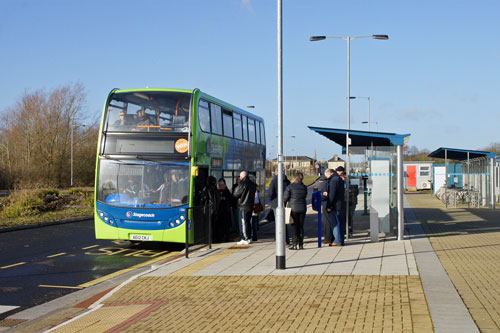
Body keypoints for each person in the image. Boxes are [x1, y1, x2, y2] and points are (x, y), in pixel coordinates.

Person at [283, 172, 308, 250]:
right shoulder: (304, 187)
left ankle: (294, 244)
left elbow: (285, 198)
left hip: (293, 209)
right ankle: (301, 244)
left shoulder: (290, 187)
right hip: (303, 208)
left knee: (294, 226)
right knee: (301, 226)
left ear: (295, 178)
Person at [266, 169, 291, 243]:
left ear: (276, 173)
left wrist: (271, 200)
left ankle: (280, 239)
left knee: (278, 222)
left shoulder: (274, 181)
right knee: (284, 222)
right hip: (285, 203)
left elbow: (270, 193)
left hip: (276, 204)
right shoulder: (287, 181)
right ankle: (286, 239)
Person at [233, 171, 257, 245]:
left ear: (242, 176)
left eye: (240, 177)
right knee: (248, 222)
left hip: (243, 206)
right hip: (250, 205)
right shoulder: (253, 184)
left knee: (243, 222)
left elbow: (235, 194)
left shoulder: (242, 184)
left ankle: (245, 238)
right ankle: (249, 237)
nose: (239, 178)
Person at [327, 167, 345, 246]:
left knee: (335, 223)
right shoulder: (339, 179)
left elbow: (332, 194)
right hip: (340, 204)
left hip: (335, 205)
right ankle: (341, 240)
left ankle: (337, 240)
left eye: (326, 174)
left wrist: (329, 205)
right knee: (340, 223)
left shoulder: (333, 180)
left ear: (330, 173)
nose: (326, 176)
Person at [201, 176, 220, 242]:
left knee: (208, 225)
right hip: (215, 209)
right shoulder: (216, 189)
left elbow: (203, 198)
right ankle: (214, 239)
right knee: (214, 225)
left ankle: (209, 239)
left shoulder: (207, 188)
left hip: (208, 209)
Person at [320, 169, 334, 245]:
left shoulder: (327, 183)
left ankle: (328, 238)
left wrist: (321, 197)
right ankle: (330, 238)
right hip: (330, 204)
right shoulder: (331, 181)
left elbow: (325, 195)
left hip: (326, 204)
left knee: (327, 222)